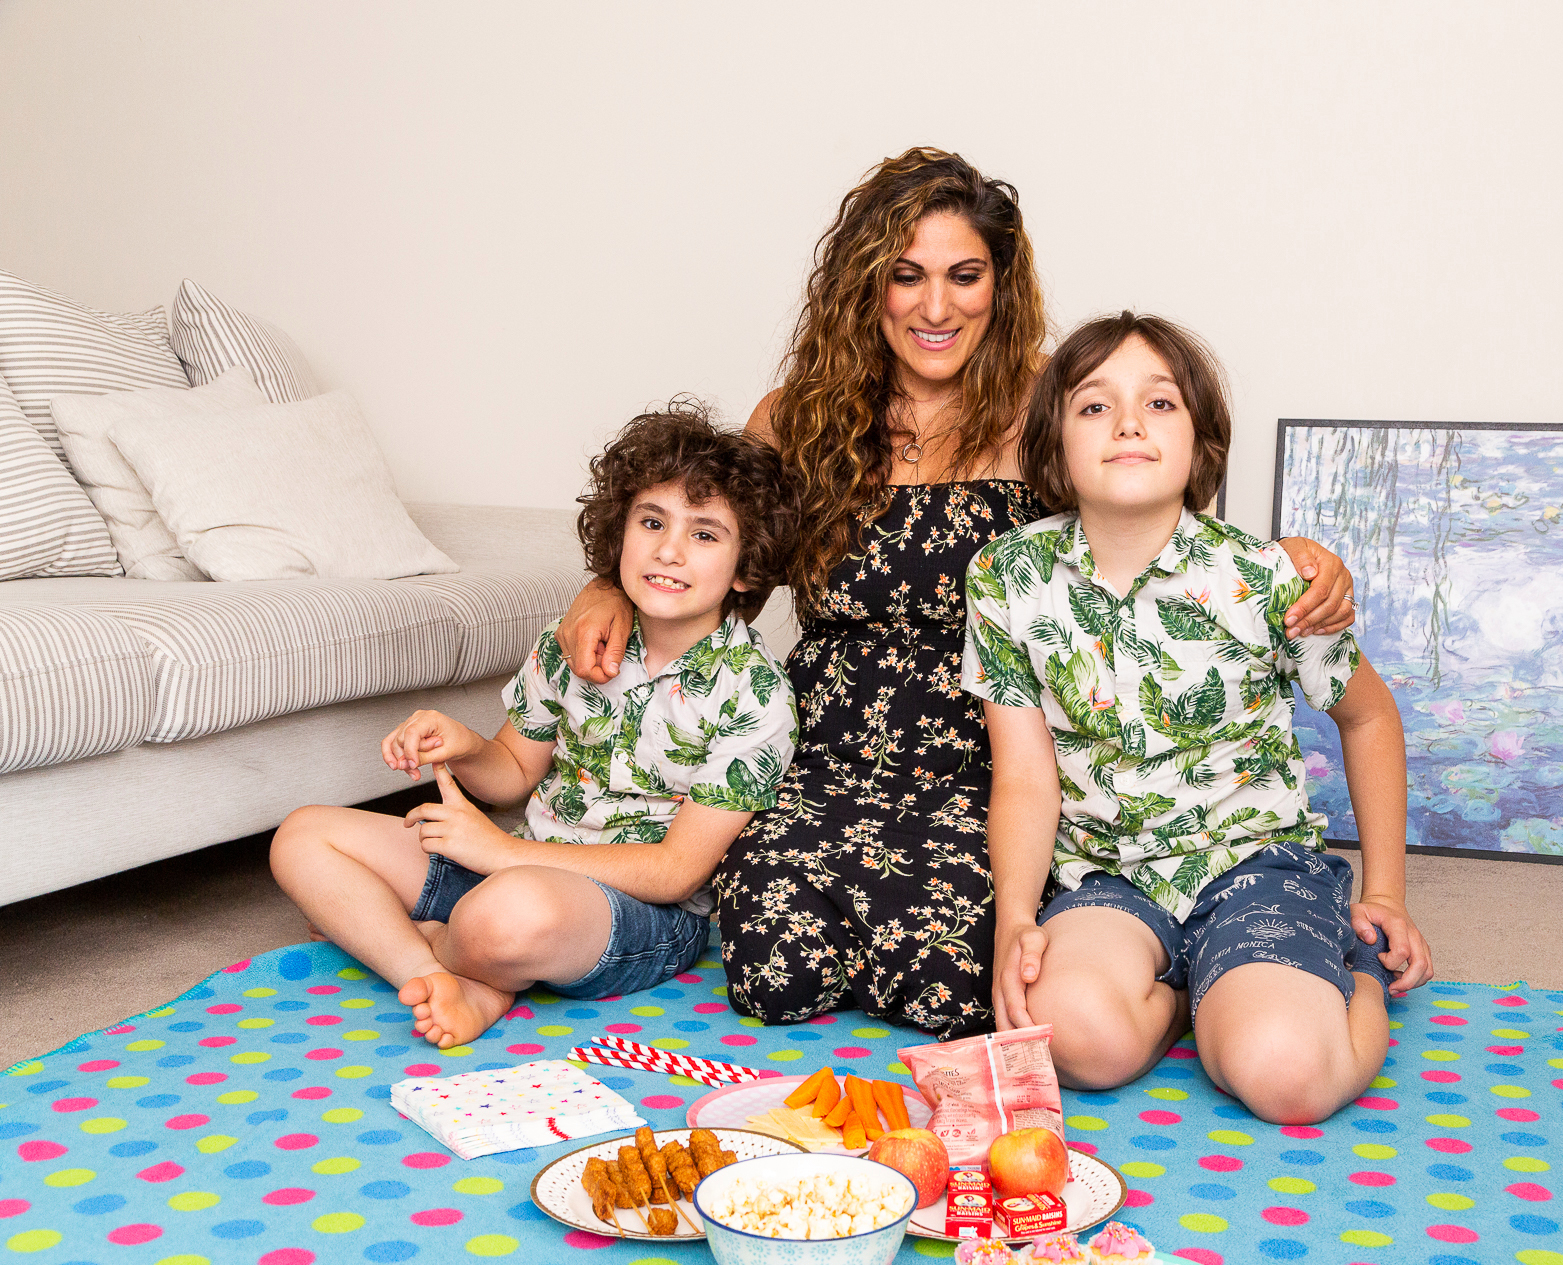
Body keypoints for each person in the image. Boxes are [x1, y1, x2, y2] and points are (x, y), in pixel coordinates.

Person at [555, 148, 1357, 1040]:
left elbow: (1157, 526)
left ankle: (1178, 977)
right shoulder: (795, 415)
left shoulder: (1055, 401)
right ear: (867, 287)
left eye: (964, 275)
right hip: (824, 753)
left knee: (955, 988)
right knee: (773, 972)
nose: (936, 307)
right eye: (907, 277)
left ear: (999, 286)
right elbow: (713, 547)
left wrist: (1299, 557)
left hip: (997, 760)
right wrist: (607, 587)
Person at [968, 312, 1434, 1123]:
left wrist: (1386, 895)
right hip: (1106, 876)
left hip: (1252, 861)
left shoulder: (1265, 575)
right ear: (1052, 443)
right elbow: (1025, 773)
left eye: (1160, 404)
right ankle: (1193, 991)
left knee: (1288, 1076)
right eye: (1093, 406)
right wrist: (1015, 919)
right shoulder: (1007, 577)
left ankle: (1331, 968)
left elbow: (1368, 718)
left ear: (1200, 441)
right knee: (1065, 1038)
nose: (1127, 425)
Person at [270, 405, 798, 1048]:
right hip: (513, 866)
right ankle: (433, 971)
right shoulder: (571, 640)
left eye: (706, 535)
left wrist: (499, 853)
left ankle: (449, 948)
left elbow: (675, 873)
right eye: (652, 522)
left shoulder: (756, 696)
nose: (669, 550)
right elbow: (513, 773)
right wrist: (465, 747)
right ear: (619, 533)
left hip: (635, 913)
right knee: (303, 836)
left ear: (747, 566)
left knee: (507, 914)